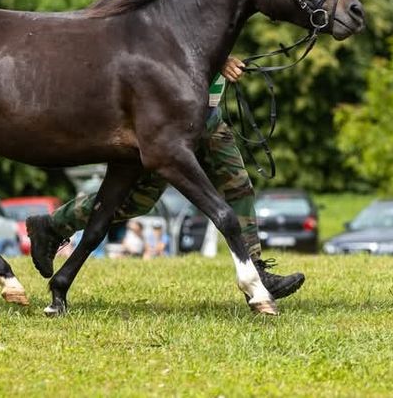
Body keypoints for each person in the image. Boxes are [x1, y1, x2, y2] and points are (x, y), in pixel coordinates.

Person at [26, 56, 305, 299]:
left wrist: (223, 57)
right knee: (137, 201)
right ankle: (53, 225)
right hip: (171, 127)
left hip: (209, 121)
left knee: (239, 188)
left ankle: (255, 272)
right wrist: (217, 60)